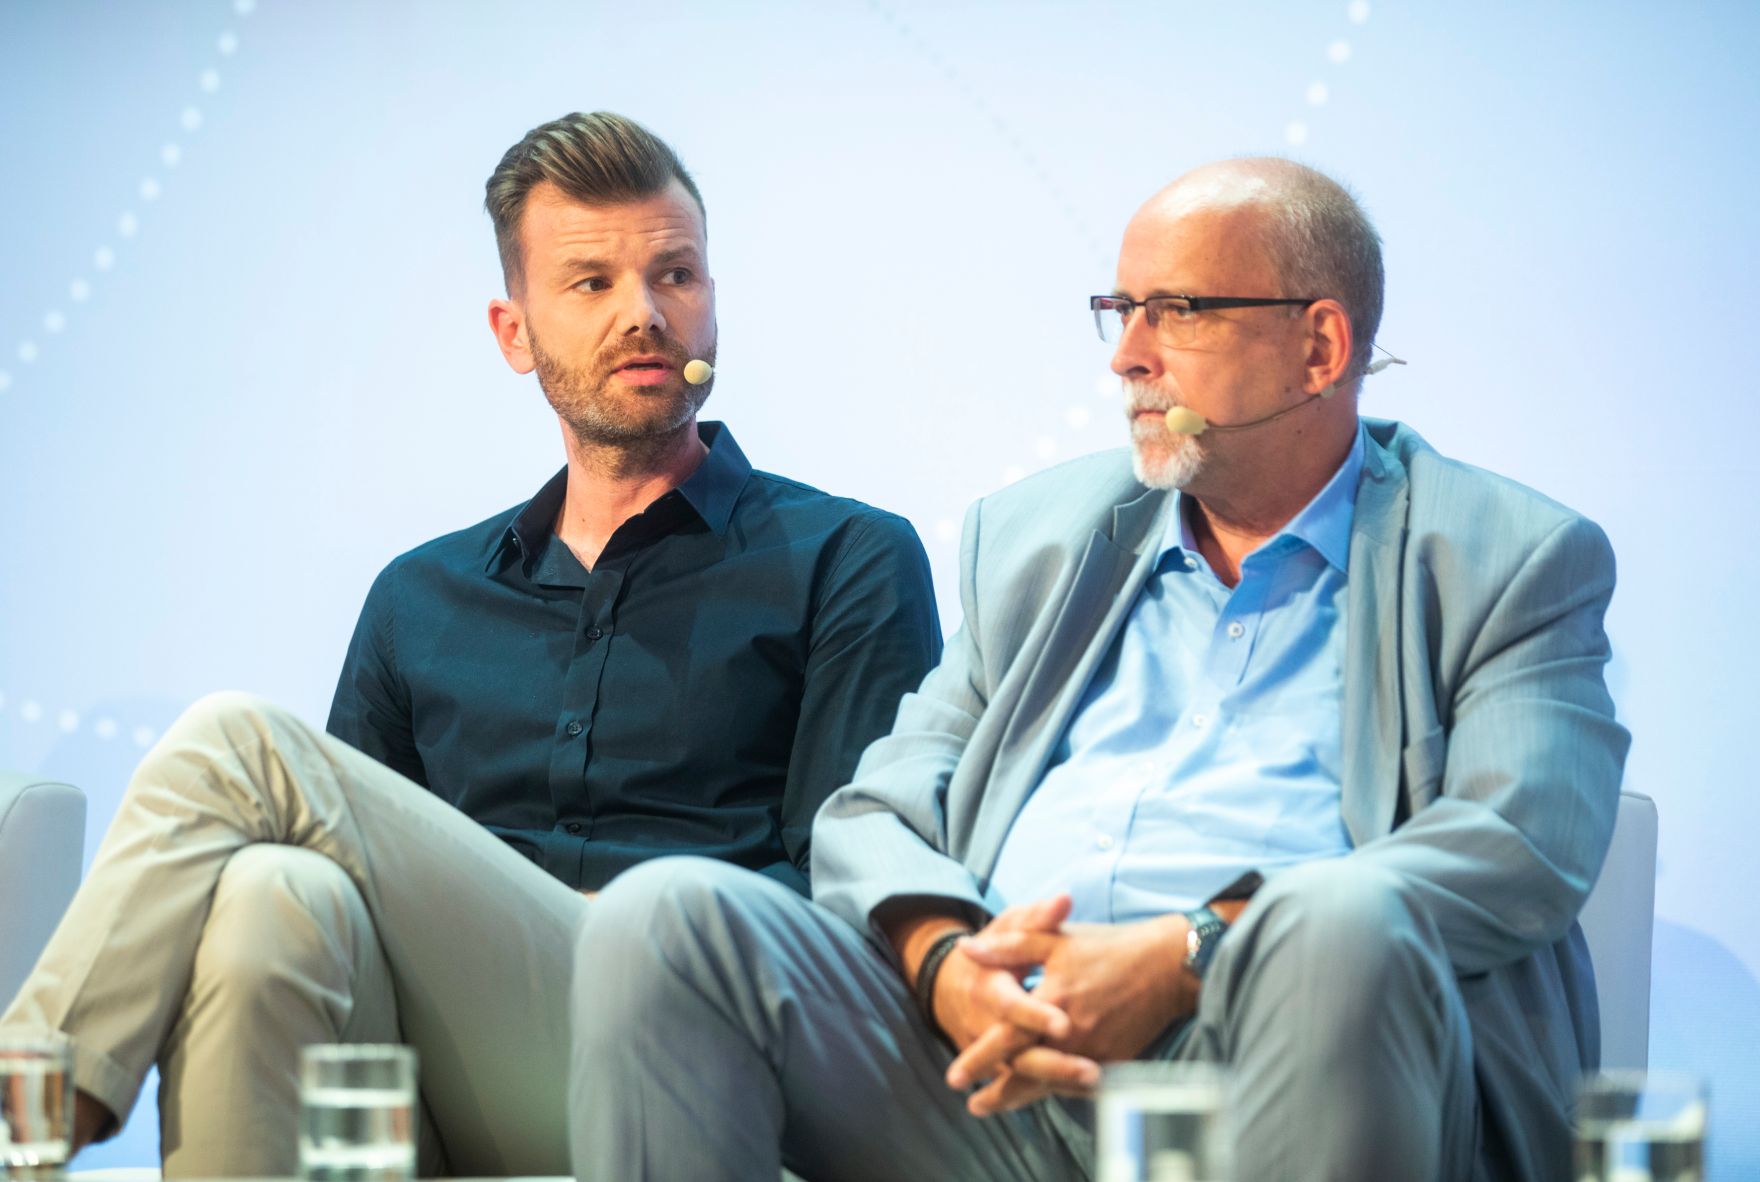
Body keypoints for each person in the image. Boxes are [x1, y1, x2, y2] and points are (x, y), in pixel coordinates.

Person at [567, 157, 1630, 1182]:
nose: (1126, 354)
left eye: (1176, 311)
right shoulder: (1041, 538)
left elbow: (1519, 841)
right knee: (667, 918)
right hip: (993, 1067)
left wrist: (1184, 953)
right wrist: (946, 966)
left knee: (1334, 921)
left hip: (1273, 1061)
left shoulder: (1501, 554)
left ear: (1318, 346)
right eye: (1118, 311)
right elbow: (872, 811)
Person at [0, 111, 939, 1178]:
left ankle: (23, 1129)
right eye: (591, 284)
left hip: (697, 1045)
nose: (644, 314)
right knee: (271, 893)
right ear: (513, 332)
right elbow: (349, 879)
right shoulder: (420, 596)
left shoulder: (845, 556)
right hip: (447, 1076)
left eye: (675, 274)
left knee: (237, 743)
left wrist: (625, 922)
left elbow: (850, 895)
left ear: (712, 302)